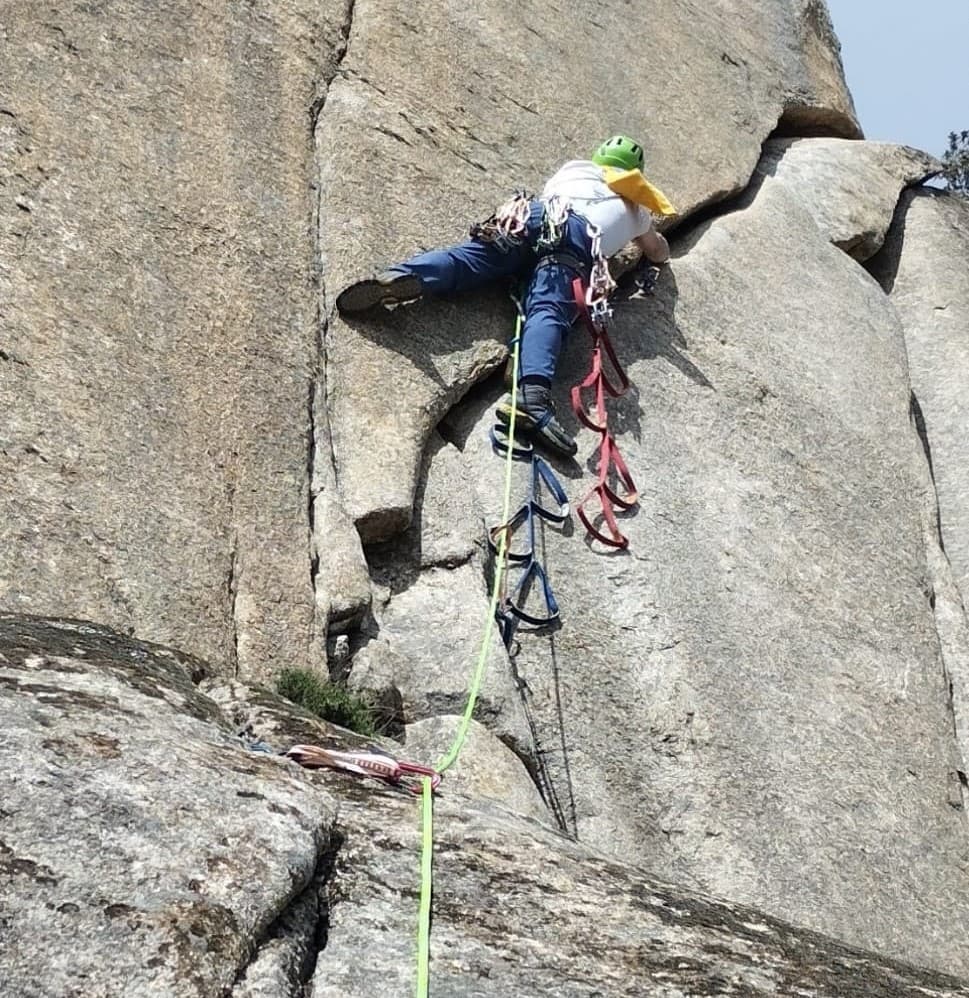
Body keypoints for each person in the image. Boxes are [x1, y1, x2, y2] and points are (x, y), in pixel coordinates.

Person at [336, 135, 675, 457]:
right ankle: (532, 399)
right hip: (575, 238)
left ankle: (406, 276)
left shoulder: (575, 169)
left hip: (532, 214)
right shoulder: (636, 209)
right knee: (548, 308)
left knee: (469, 259)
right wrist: (657, 251)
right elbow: (656, 250)